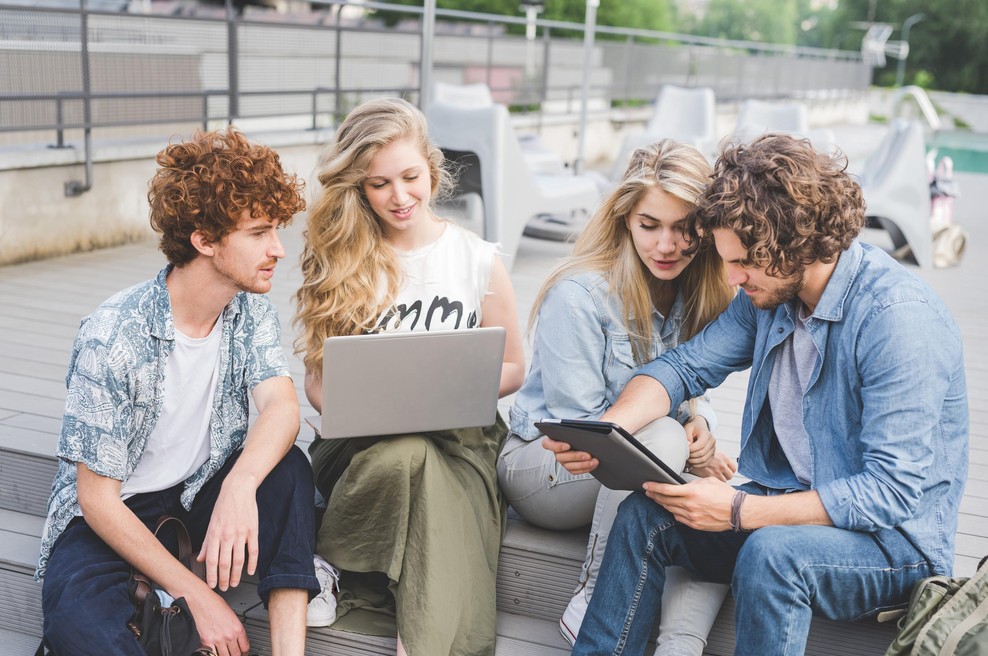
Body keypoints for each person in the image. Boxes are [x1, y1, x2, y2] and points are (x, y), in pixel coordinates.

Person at [548, 134, 969, 656]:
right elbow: (683, 367)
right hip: (786, 506)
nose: (731, 277)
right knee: (645, 513)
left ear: (800, 244)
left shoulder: (897, 320)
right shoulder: (769, 294)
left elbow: (890, 492)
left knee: (772, 553)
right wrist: (605, 431)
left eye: (744, 262)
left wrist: (739, 509)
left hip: (891, 546)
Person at [37, 128, 319, 656]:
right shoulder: (113, 335)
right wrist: (199, 596)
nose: (278, 249)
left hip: (196, 494)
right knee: (80, 625)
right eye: (259, 232)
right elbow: (96, 500)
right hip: (111, 519)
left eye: (276, 230)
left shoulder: (249, 310)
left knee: (288, 469)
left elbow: (282, 406)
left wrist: (240, 486)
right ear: (205, 241)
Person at [294, 97, 525, 656]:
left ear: (432, 171)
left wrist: (446, 393)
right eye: (379, 184)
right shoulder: (341, 259)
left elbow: (514, 365)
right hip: (360, 448)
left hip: (459, 440)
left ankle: (357, 583)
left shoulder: (476, 259)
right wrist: (363, 407)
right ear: (358, 188)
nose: (399, 196)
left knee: (418, 456)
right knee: (404, 453)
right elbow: (317, 384)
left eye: (410, 177)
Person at [496, 140, 737, 652]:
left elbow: (695, 388)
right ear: (625, 218)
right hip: (547, 468)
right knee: (666, 440)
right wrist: (681, 434)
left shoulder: (702, 291)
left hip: (640, 464)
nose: (666, 245)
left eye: (684, 228)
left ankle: (681, 645)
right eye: (649, 225)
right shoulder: (579, 294)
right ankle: (591, 596)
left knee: (713, 505)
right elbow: (583, 432)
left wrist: (702, 427)